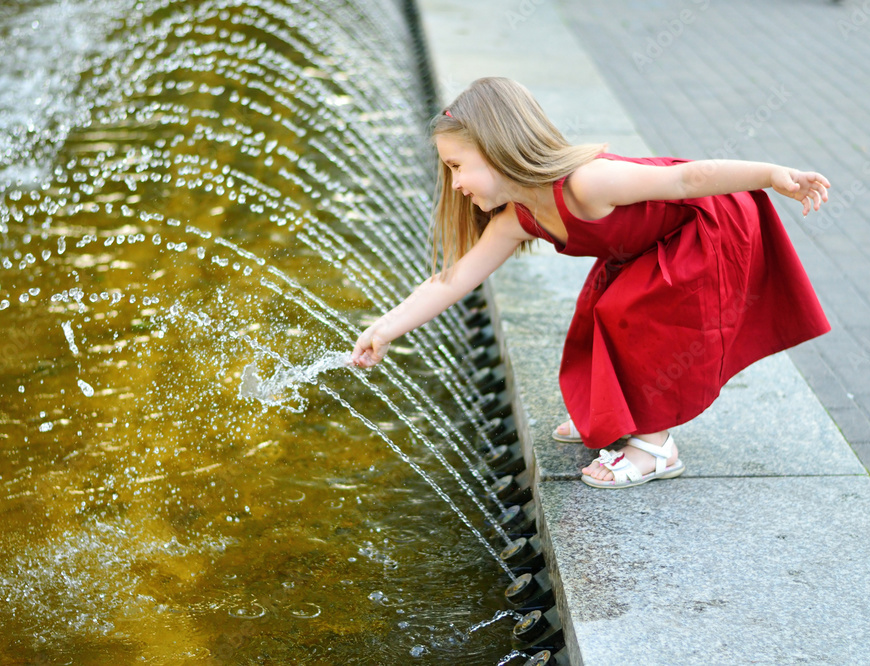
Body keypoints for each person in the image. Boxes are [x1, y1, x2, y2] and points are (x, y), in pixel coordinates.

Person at [351, 77, 831, 489]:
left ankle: (656, 448)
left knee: (632, 313)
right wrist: (386, 328)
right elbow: (452, 281)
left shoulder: (587, 184)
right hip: (647, 245)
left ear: (498, 149)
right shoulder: (518, 218)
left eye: (457, 165)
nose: (454, 183)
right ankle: (613, 415)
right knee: (595, 315)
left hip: (708, 227)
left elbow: (689, 180)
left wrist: (772, 175)